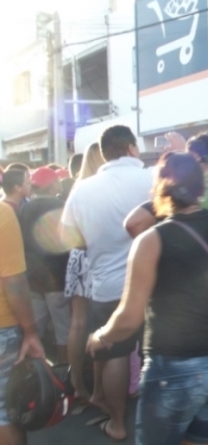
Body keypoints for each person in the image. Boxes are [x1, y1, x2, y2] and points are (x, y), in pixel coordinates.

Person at [86, 152, 208, 445]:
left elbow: (129, 317)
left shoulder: (151, 240)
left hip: (174, 366)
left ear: (159, 190)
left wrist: (101, 336)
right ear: (201, 188)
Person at [60, 126, 152, 441]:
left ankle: (118, 424)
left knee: (115, 354)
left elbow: (68, 238)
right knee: (161, 351)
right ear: (131, 148)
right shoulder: (152, 178)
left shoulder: (82, 189)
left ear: (104, 152)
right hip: (156, 284)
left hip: (108, 287)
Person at [63, 143, 104, 413]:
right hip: (103, 257)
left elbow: (63, 234)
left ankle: (77, 385)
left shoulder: (77, 190)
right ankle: (100, 390)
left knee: (78, 323)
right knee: (103, 325)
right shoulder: (107, 188)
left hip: (78, 256)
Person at [0, 201, 45, 445]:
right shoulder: (2, 213)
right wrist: (31, 332)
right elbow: (13, 281)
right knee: (5, 413)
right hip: (2, 326)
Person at [18, 167, 70, 363]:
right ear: (52, 184)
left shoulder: (24, 208)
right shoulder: (60, 205)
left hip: (32, 278)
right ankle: (66, 372)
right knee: (64, 331)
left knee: (34, 331)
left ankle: (34, 372)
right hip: (57, 278)